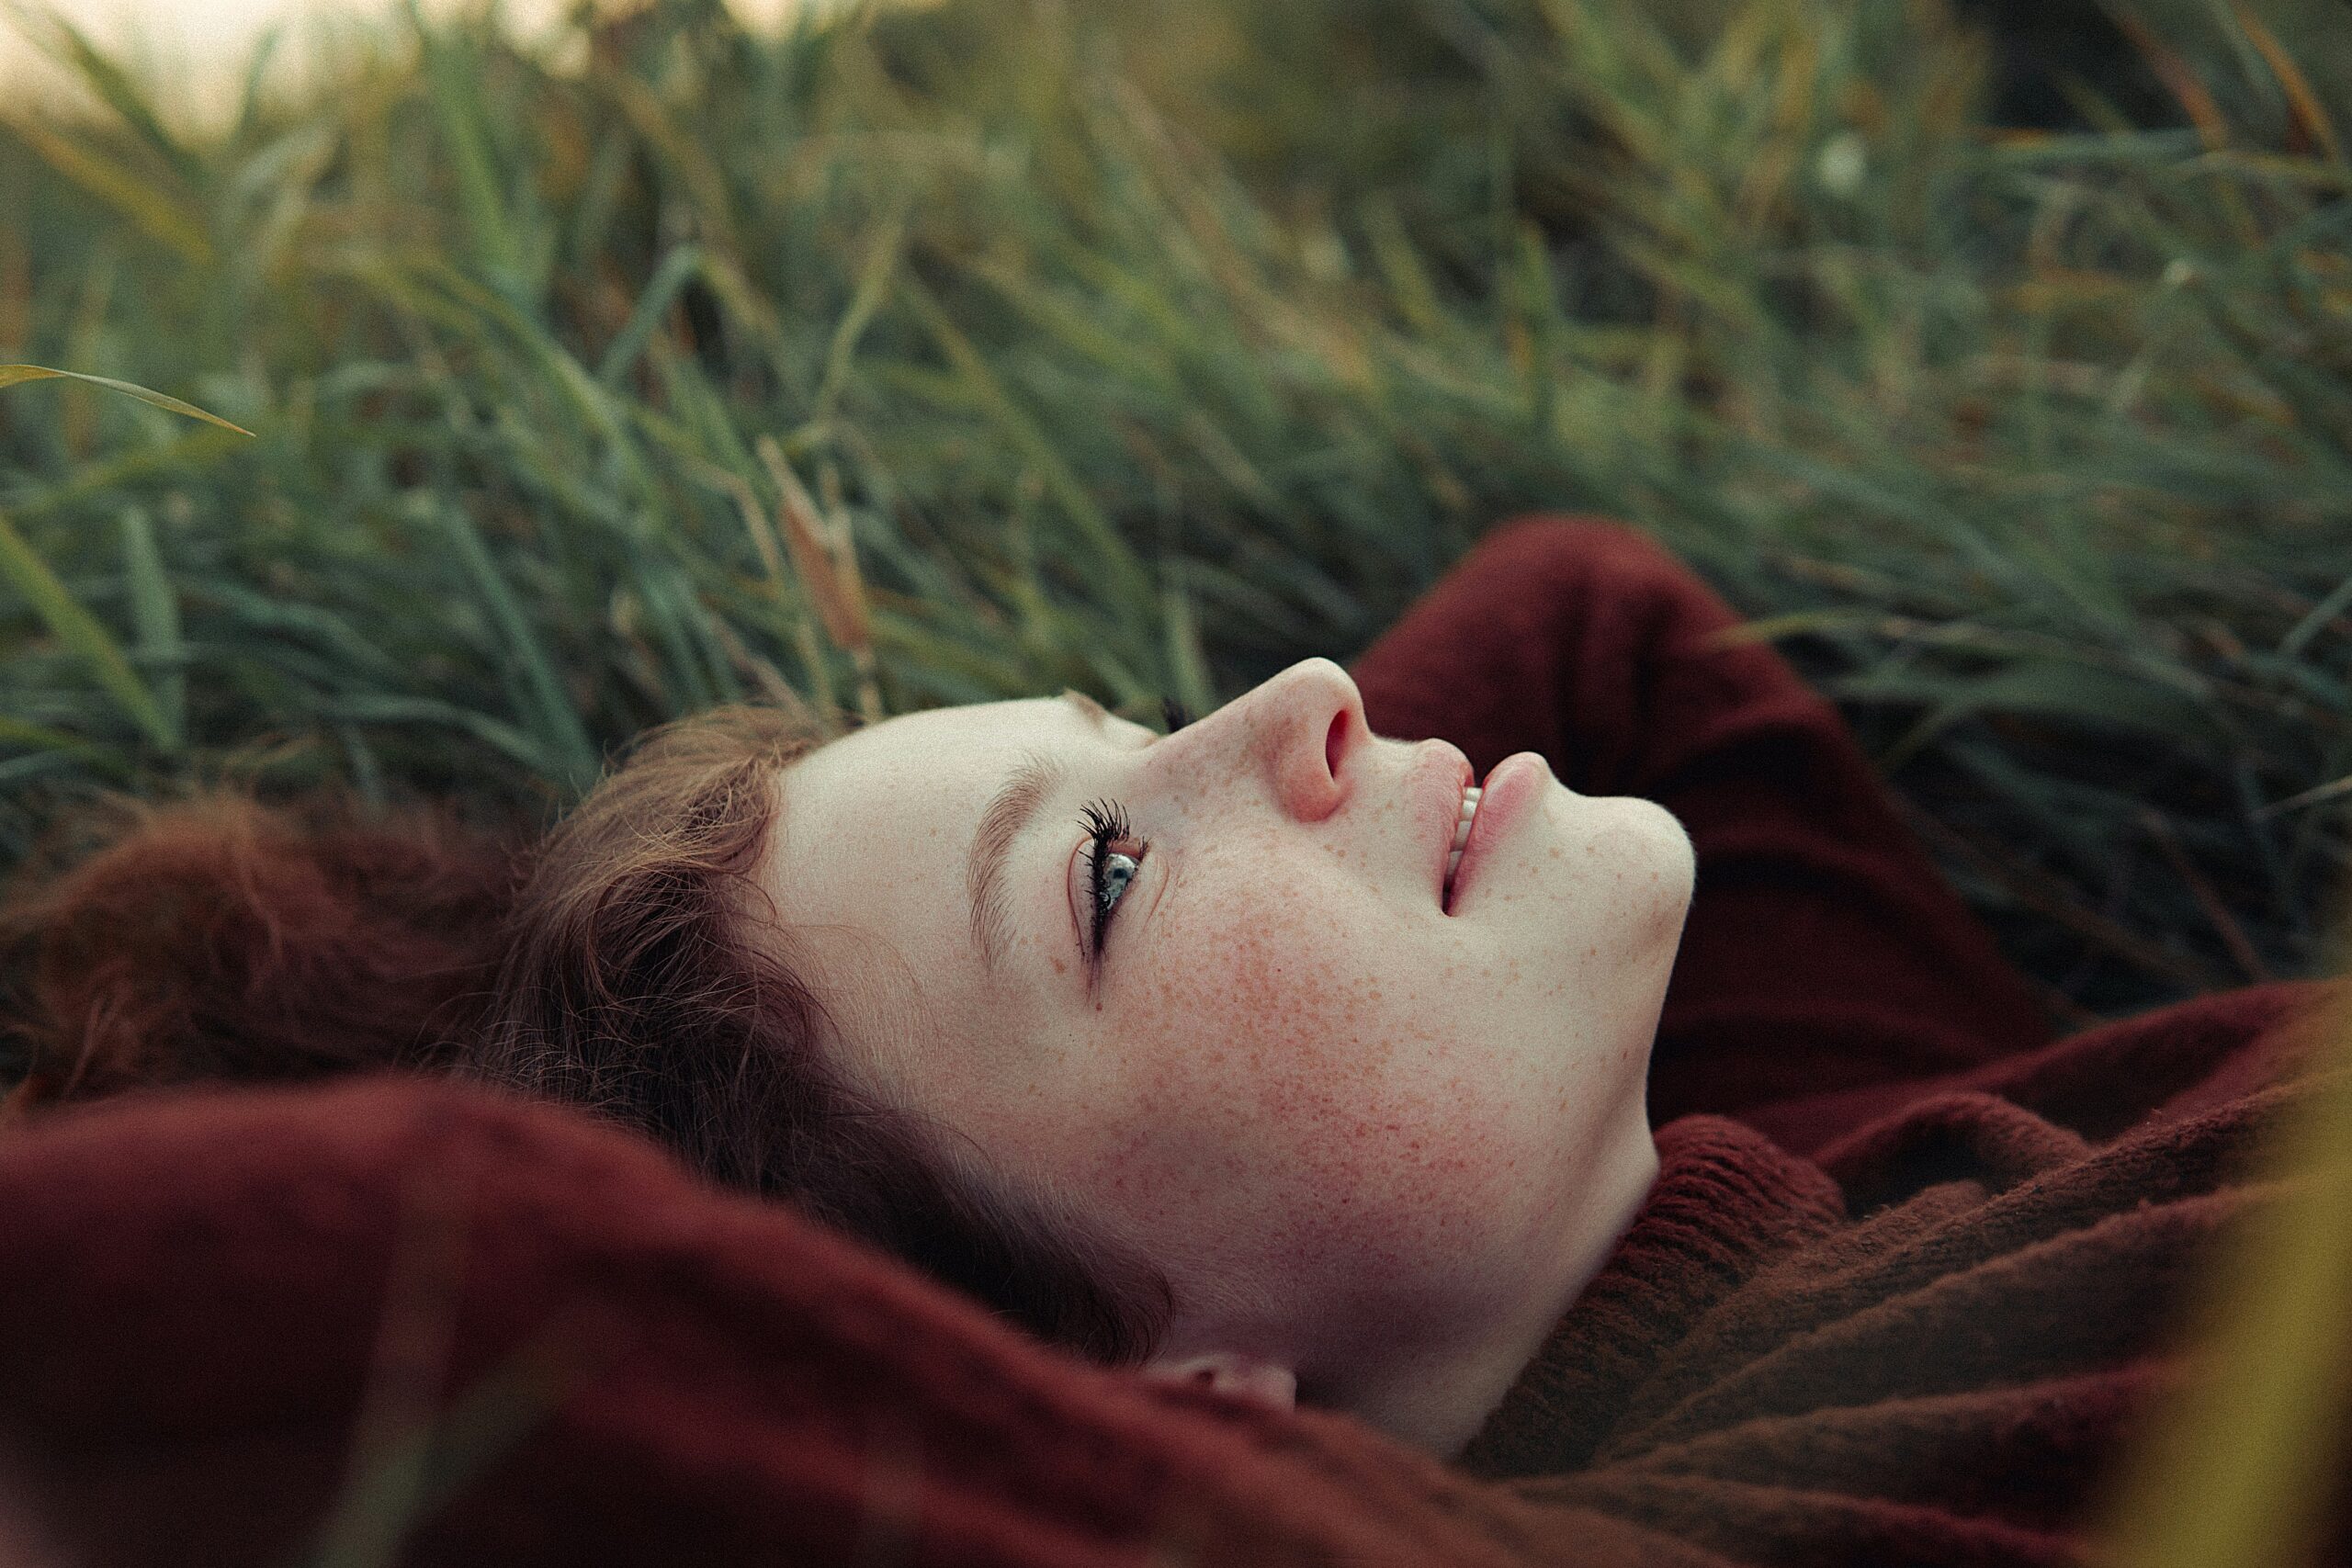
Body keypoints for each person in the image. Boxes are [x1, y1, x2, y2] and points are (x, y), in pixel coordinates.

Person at [0, 515, 2335, 1565]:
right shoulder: (1788, 1507)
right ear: (1155, 1409)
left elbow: (1583, 612)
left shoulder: (1819, 1133)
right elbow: (404, 1266)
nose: (1307, 704)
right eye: (1108, 870)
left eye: (1132, 719)